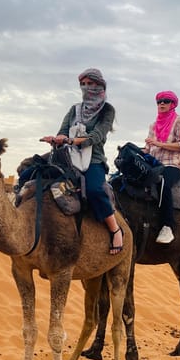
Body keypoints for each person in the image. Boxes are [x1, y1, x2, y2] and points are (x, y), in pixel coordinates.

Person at [41, 68, 123, 254]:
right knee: (33, 172)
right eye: (83, 84)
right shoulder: (74, 109)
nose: (87, 87)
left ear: (100, 85)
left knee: (94, 190)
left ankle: (115, 230)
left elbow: (97, 136)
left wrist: (72, 141)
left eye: (91, 83)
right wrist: (57, 139)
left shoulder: (107, 110)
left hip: (93, 160)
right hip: (68, 157)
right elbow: (63, 130)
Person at [143, 90, 180, 244]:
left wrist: (159, 143)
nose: (161, 103)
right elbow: (148, 149)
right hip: (153, 164)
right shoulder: (153, 125)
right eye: (159, 101)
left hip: (172, 165)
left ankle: (167, 226)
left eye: (165, 101)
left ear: (172, 104)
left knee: (162, 182)